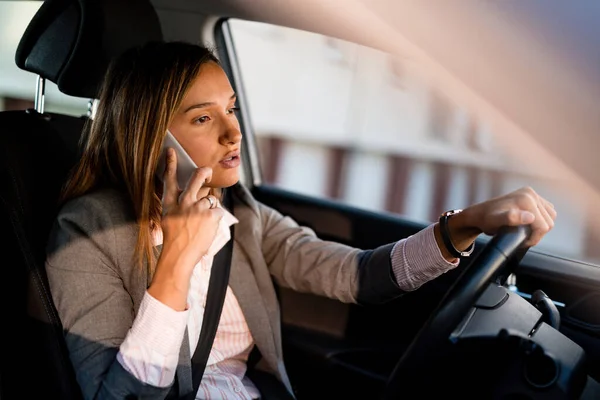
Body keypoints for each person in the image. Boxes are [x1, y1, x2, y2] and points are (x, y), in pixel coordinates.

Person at [44, 40, 557, 400]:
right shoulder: (88, 231)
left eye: (232, 109)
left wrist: (462, 225)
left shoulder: (237, 208)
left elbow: (357, 275)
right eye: (203, 118)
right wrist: (176, 260)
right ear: (150, 137)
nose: (233, 133)